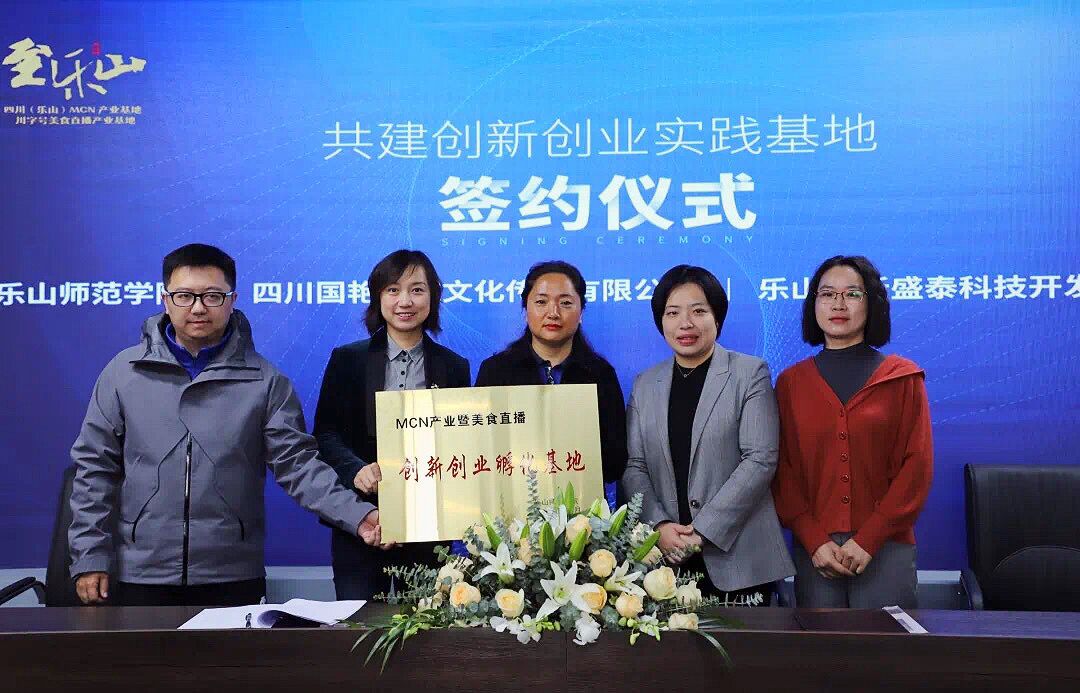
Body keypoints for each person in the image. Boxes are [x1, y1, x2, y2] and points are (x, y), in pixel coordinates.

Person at [68, 243, 381, 607]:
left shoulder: (265, 381)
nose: (198, 307)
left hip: (232, 575)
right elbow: (94, 468)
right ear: (165, 299)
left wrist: (358, 515)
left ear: (232, 300)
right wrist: (89, 555)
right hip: (139, 573)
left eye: (213, 296)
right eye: (185, 296)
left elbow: (299, 467)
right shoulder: (123, 373)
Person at [622, 265, 793, 605]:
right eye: (673, 313)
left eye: (698, 311)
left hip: (739, 558)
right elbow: (634, 465)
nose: (685, 323)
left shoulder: (749, 373)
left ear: (717, 317)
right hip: (665, 561)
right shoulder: (645, 383)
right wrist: (659, 526)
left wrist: (703, 530)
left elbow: (760, 459)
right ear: (661, 321)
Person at [772, 255, 933, 609]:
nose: (838, 304)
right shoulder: (790, 384)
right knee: (821, 644)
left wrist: (870, 538)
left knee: (885, 643)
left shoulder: (903, 378)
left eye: (852, 294)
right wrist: (813, 539)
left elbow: (916, 467)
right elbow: (782, 470)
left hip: (887, 545)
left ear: (871, 303)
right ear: (813, 303)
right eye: (827, 294)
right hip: (817, 551)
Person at [313, 249, 470, 599]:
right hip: (361, 520)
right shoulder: (347, 360)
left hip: (429, 527)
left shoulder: (454, 367)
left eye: (417, 290)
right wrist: (356, 469)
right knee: (361, 624)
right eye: (393, 290)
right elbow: (325, 434)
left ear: (433, 297)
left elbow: (460, 444)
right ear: (378, 297)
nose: (405, 301)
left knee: (427, 622)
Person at [474, 260, 627, 489]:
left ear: (581, 312)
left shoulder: (600, 374)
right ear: (525, 310)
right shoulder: (496, 371)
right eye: (541, 302)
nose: (553, 313)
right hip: (513, 503)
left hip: (582, 504)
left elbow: (616, 462)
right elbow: (480, 449)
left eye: (565, 303)